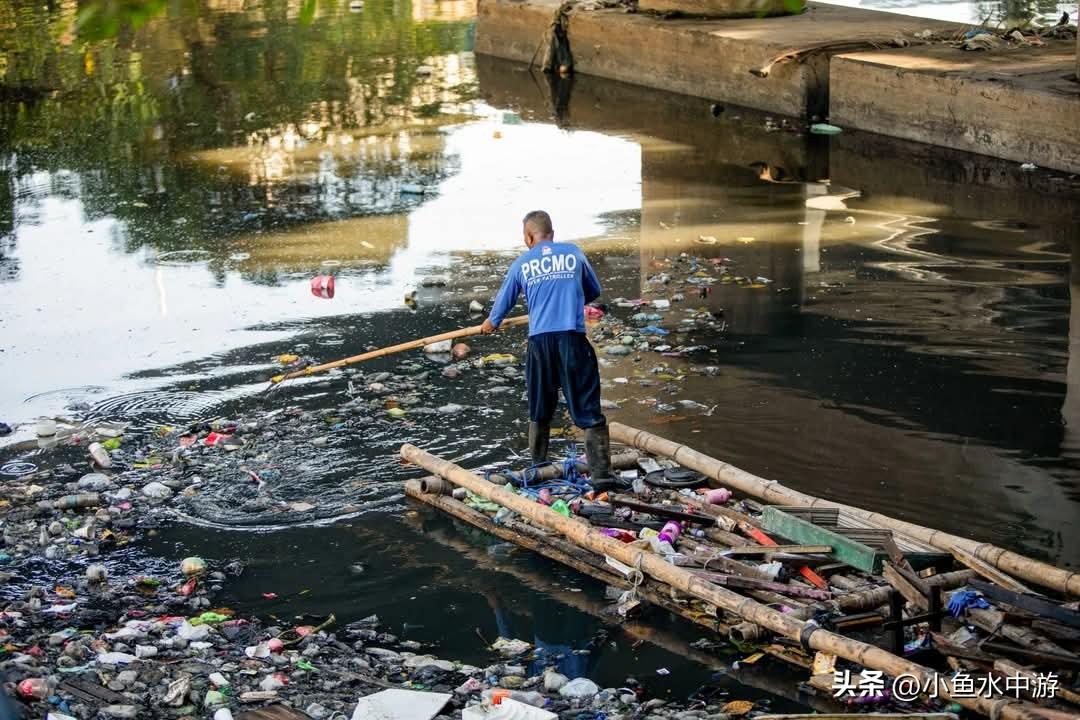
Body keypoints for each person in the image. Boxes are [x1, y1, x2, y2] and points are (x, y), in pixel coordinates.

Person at [481, 210, 614, 490]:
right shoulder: (573, 253)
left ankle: (538, 469)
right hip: (572, 339)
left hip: (540, 343)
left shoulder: (521, 263)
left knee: (540, 408)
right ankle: (603, 478)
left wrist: (490, 324)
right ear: (551, 234)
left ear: (528, 238)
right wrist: (567, 292)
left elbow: (501, 306)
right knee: (588, 410)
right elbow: (593, 291)